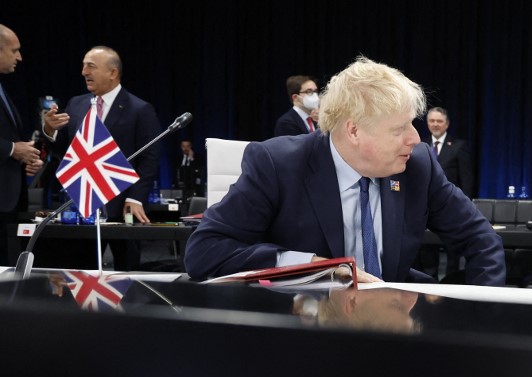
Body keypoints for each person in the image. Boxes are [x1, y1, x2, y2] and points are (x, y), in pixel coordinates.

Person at [184, 56, 506, 286]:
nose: (415, 138)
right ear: (353, 131)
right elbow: (205, 251)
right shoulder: (278, 164)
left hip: (394, 331)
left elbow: (480, 240)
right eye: (399, 128)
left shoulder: (418, 165)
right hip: (302, 336)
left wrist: (482, 319)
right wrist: (314, 266)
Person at [42, 45, 161, 270]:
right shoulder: (76, 104)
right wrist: (49, 130)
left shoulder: (140, 109)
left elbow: (150, 157)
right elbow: (65, 151)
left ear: (112, 73)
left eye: (91, 66)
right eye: (84, 66)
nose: (84, 72)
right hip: (82, 206)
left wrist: (136, 198)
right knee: (81, 273)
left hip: (122, 207)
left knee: (127, 276)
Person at [0, 24, 43, 267]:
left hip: (9, 200)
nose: (20, 57)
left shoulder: (3, 87)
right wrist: (13, 150)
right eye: (14, 50)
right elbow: (9, 145)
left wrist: (22, 157)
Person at [416, 106, 476, 279]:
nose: (435, 124)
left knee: (452, 253)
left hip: (450, 208)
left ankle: (451, 286)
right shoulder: (420, 145)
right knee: (427, 252)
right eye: (432, 121)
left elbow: (467, 180)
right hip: (423, 209)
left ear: (446, 124)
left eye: (439, 121)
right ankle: (429, 287)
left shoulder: (458, 146)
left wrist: (464, 207)